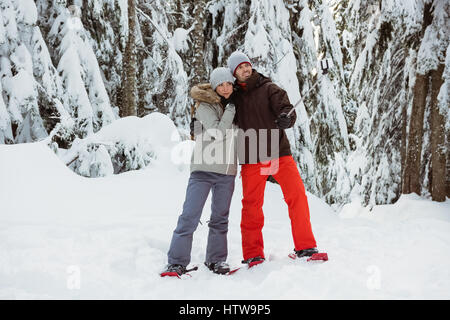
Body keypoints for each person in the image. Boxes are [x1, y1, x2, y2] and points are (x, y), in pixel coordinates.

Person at [227, 51, 318, 265]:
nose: (245, 69)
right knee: (252, 205)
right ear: (234, 73)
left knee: (296, 196)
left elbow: (287, 109)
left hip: (277, 152)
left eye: (247, 65)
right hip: (252, 158)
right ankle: (252, 253)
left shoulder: (269, 88)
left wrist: (287, 118)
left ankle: (305, 246)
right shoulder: (235, 98)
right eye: (240, 68)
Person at [161, 67, 238, 276]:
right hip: (203, 169)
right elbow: (217, 132)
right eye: (220, 84)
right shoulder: (205, 105)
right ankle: (176, 262)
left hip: (227, 171)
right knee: (190, 216)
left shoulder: (236, 106)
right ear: (214, 86)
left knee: (220, 218)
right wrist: (231, 109)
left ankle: (216, 260)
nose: (225, 88)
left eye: (228, 83)